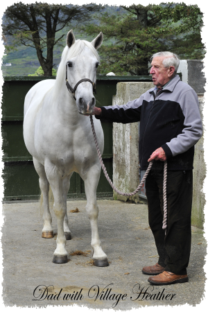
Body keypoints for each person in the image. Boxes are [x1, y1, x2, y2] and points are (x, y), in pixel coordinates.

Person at [85, 51, 203, 285]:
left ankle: (178, 269)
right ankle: (166, 260)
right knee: (157, 217)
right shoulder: (150, 94)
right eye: (152, 67)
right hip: (152, 168)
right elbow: (128, 111)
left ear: (170, 70)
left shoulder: (184, 93)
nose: (151, 71)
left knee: (175, 219)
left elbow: (194, 130)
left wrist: (167, 150)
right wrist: (99, 112)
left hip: (175, 168)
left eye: (156, 67)